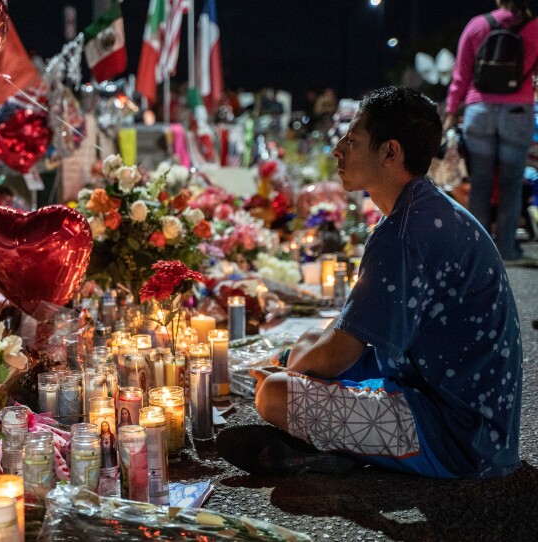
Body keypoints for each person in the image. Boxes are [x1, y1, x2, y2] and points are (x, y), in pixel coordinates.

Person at [218, 87, 522, 478]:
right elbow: (350, 326)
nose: (338, 149)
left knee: (275, 393)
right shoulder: (424, 209)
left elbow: (339, 351)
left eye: (353, 140)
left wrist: (294, 373)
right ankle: (323, 445)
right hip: (462, 406)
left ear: (390, 152)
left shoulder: (405, 231)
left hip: (459, 438)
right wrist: (299, 360)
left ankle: (329, 448)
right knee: (300, 351)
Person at [445, 0, 538, 262]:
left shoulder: (477, 25)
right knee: (511, 184)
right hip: (518, 111)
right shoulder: (535, 28)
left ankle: (479, 250)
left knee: (481, 186)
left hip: (480, 111)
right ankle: (507, 249)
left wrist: (451, 111)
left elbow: (461, 74)